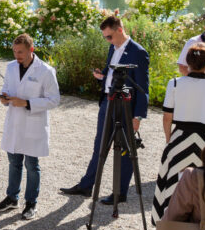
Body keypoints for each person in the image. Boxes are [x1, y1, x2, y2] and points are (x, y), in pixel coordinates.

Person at [60, 15, 149, 205]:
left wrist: (138, 116)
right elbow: (112, 73)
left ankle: (120, 193)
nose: (107, 40)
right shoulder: (112, 47)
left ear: (119, 30)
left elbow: (143, 87)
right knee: (100, 145)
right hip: (108, 102)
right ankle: (86, 186)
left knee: (125, 150)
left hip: (126, 106)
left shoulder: (139, 52)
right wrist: (102, 76)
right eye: (105, 37)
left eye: (109, 36)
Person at [152, 42, 205, 226]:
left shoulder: (174, 83)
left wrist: (169, 141)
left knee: (173, 187)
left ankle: (167, 228)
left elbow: (167, 118)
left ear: (187, 63)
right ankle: (203, 228)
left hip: (179, 138)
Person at [0, 34, 61, 220]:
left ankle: (31, 203)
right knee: (14, 163)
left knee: (32, 165)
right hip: (14, 122)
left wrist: (28, 103)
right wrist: (4, 98)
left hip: (33, 124)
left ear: (31, 50)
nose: (17, 55)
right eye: (14, 51)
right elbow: (7, 87)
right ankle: (12, 198)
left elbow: (54, 100)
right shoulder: (10, 67)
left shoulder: (45, 71)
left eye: (20, 52)